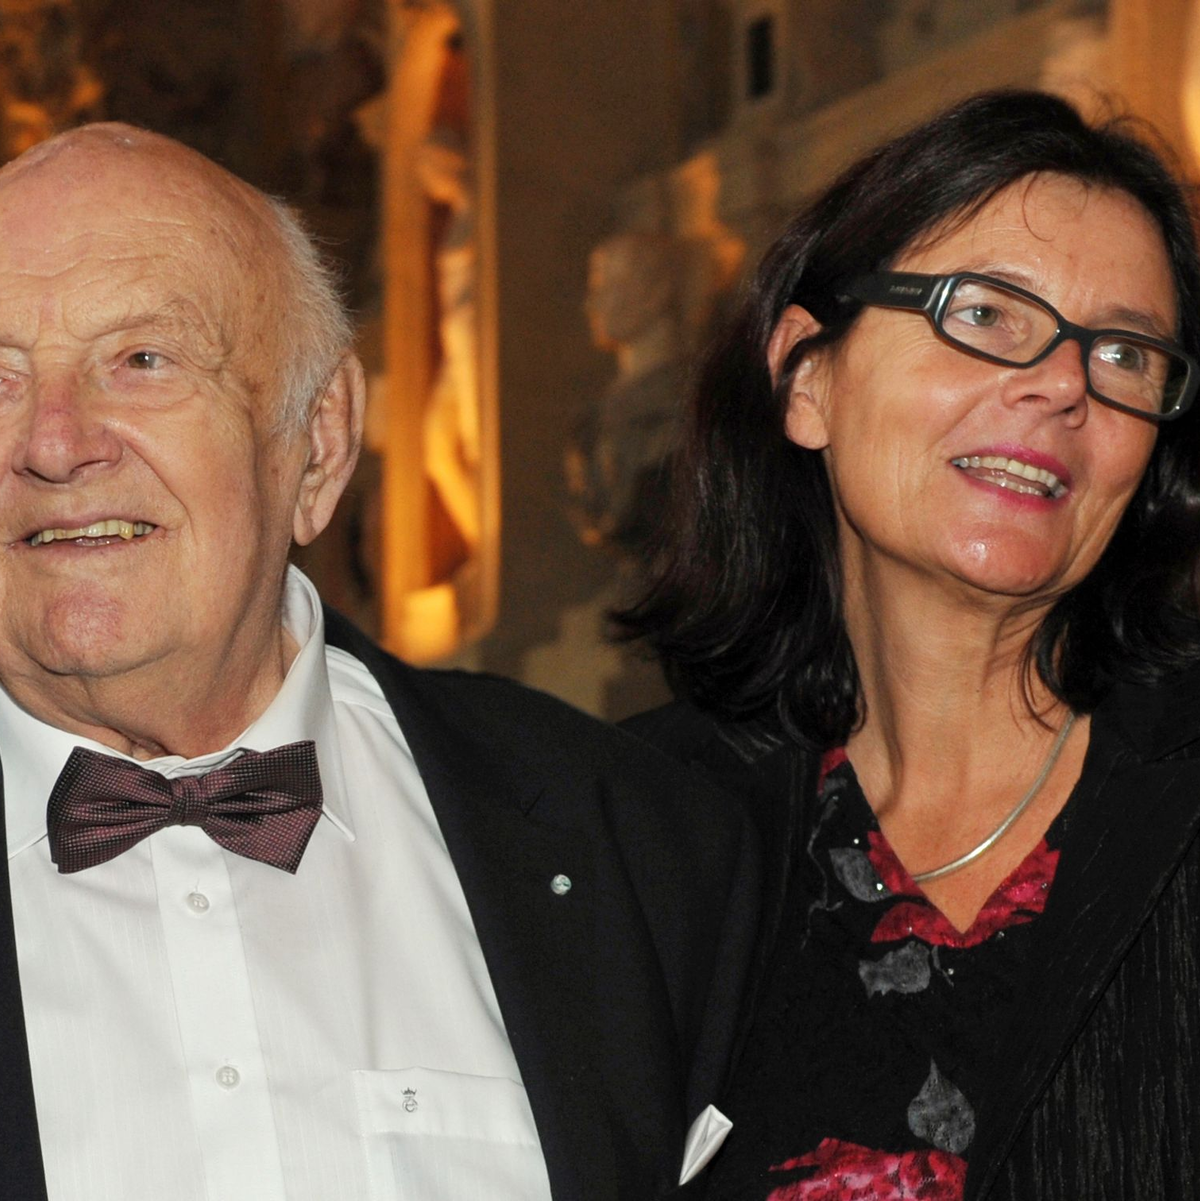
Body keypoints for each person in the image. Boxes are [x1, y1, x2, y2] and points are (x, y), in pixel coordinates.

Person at [0, 123, 759, 1201]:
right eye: (0, 377)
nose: (53, 439)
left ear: (318, 442)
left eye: (143, 360)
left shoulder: (638, 845)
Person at [621, 90, 1200, 1200]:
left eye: (1125, 353)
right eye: (982, 314)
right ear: (807, 377)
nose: (1063, 384)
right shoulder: (647, 832)